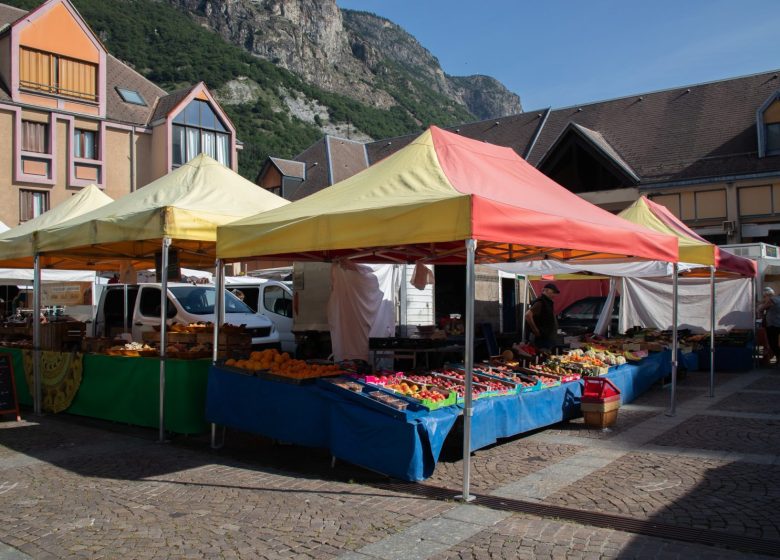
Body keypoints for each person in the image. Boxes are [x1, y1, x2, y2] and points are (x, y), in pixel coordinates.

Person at [525, 282, 560, 351]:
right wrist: (536, 330)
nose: (554, 295)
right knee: (542, 357)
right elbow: (528, 315)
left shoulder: (548, 302)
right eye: (553, 292)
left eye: (555, 293)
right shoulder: (541, 302)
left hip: (547, 337)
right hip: (542, 339)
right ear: (546, 290)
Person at [758, 286, 780, 365]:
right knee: (774, 343)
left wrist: (760, 309)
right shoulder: (775, 299)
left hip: (773, 325)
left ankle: (778, 357)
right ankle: (777, 359)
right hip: (775, 324)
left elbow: (761, 308)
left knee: (773, 344)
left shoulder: (774, 299)